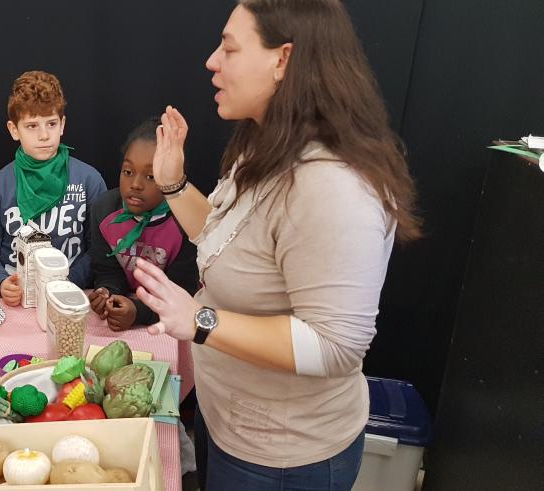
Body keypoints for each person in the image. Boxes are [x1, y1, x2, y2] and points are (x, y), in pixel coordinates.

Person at [133, 1, 420, 489]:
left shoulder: (333, 187)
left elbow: (337, 345)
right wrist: (175, 184)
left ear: (283, 59)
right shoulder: (264, 144)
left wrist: (200, 321)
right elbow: (230, 247)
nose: (212, 61)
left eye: (229, 47)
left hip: (282, 460)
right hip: (227, 422)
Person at [0, 70, 106, 305]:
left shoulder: (88, 180)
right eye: (32, 126)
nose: (44, 135)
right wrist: (1, 281)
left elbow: (99, 250)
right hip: (17, 295)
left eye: (51, 123)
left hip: (69, 294)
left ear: (62, 124)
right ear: (14, 130)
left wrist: (68, 281)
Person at [87, 117, 198, 331]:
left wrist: (138, 313)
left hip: (170, 322)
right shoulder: (104, 210)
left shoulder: (186, 222)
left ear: (172, 176)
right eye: (128, 172)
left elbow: (183, 293)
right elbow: (107, 271)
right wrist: (106, 292)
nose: (136, 185)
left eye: (151, 176)